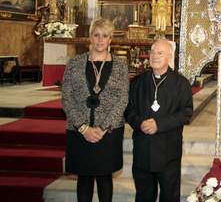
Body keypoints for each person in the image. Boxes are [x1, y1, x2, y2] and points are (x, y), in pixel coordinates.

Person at [62, 18, 129, 202]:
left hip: (108, 132)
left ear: (110, 40)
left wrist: (102, 128)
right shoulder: (74, 63)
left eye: (105, 36)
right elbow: (66, 97)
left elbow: (122, 99)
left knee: (104, 176)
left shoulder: (121, 66)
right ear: (90, 37)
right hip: (79, 131)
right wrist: (83, 128)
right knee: (84, 177)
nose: (100, 40)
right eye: (96, 35)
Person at [125, 38, 193, 202]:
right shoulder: (138, 82)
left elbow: (186, 113)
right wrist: (139, 123)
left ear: (169, 56)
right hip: (143, 150)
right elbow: (128, 109)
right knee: (143, 196)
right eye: (153, 52)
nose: (154, 56)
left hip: (168, 152)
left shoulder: (181, 83)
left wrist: (159, 124)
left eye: (160, 53)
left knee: (169, 196)